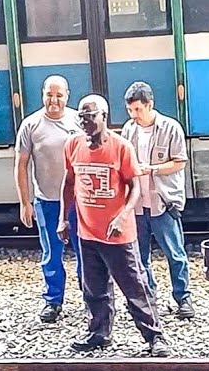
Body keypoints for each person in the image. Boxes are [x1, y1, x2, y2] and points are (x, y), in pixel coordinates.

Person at [58, 94, 171, 356]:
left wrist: (123, 215)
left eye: (91, 116)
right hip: (87, 231)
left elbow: (134, 186)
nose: (85, 121)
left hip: (118, 235)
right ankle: (99, 332)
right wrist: (64, 218)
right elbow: (69, 183)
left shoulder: (121, 147)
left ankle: (154, 336)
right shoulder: (73, 145)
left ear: (104, 117)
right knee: (94, 288)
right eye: (82, 117)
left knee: (135, 287)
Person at [120, 81, 195, 319]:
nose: (134, 115)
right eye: (130, 110)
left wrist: (150, 169)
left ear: (150, 105)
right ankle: (147, 297)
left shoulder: (171, 128)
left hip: (163, 201)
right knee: (140, 256)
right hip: (137, 204)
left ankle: (183, 297)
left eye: (138, 110)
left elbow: (180, 162)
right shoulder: (128, 130)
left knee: (175, 253)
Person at [15, 75, 82, 323]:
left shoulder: (78, 120)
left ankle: (91, 299)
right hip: (47, 201)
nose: (54, 100)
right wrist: (25, 202)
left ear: (67, 95)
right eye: (49, 95)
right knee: (51, 254)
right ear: (43, 94)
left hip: (78, 201)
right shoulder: (31, 125)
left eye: (59, 95)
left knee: (85, 252)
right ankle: (53, 301)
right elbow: (21, 165)